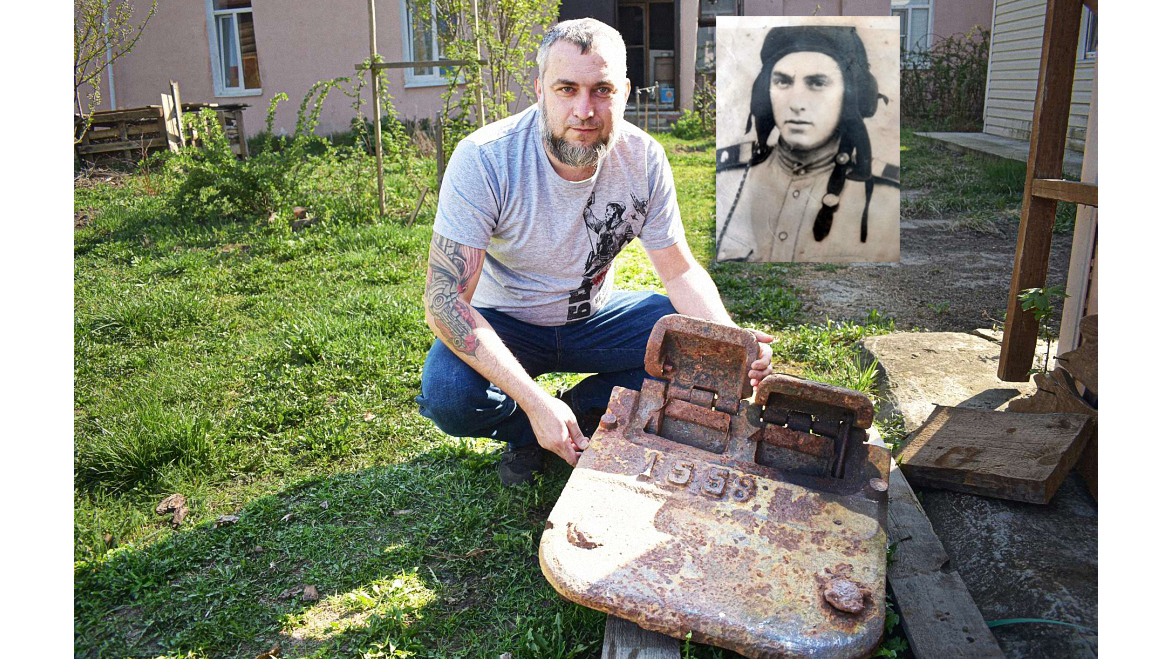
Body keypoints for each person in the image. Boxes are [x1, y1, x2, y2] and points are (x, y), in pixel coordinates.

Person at [415, 18, 774, 486]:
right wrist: (534, 403)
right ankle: (531, 432)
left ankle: (582, 409)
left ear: (624, 93)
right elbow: (444, 302)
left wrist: (732, 341)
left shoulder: (644, 158)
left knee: (697, 351)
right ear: (540, 90)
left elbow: (680, 271)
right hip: (507, 322)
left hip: (596, 319)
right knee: (449, 395)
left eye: (602, 90)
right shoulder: (485, 158)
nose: (584, 110)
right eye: (566, 89)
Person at [714, 25, 900, 263]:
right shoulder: (727, 177)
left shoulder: (889, 193)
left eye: (817, 83)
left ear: (850, 97)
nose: (797, 103)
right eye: (783, 82)